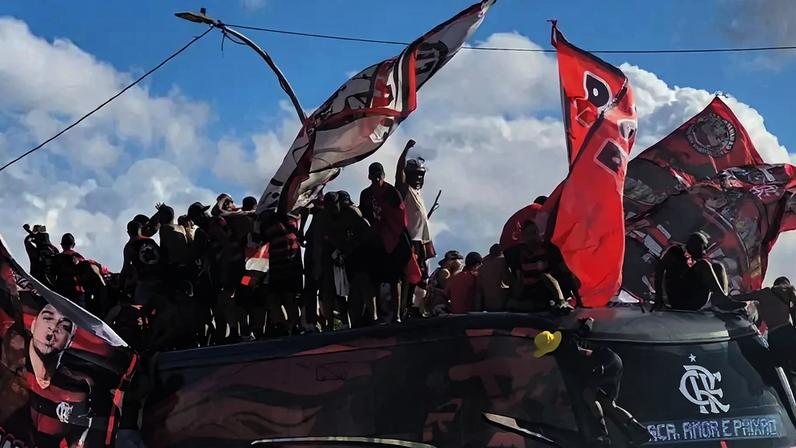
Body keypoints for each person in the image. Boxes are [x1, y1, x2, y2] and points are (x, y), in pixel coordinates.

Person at [534, 319, 651, 446]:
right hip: (613, 360)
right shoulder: (567, 335)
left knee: (589, 397)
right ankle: (640, 431)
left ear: (551, 350)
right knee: (608, 404)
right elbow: (584, 330)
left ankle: (602, 436)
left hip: (601, 368)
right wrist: (589, 321)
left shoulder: (565, 354)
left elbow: (582, 373)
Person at [26, 304, 100, 448]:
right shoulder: (10, 360)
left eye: (65, 326)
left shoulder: (76, 390)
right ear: (33, 325)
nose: (54, 327)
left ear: (70, 340)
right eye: (48, 318)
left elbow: (79, 440)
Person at [359, 162, 411, 323]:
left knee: (395, 279)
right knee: (373, 280)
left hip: (393, 240)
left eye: (378, 174)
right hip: (375, 242)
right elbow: (364, 216)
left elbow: (400, 216)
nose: (376, 178)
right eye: (373, 174)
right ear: (369, 176)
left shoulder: (391, 192)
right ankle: (375, 316)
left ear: (382, 175)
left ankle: (397, 315)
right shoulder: (366, 194)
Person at [324, 191, 376, 328]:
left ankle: (373, 317)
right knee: (354, 288)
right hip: (350, 256)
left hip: (361, 254)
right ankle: (356, 321)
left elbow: (366, 230)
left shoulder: (352, 212)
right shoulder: (337, 217)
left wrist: (351, 245)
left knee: (363, 284)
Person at [395, 140, 435, 315]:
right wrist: (405, 150)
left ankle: (415, 308)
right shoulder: (406, 190)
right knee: (408, 276)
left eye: (421, 175)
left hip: (421, 242)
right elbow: (399, 174)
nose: (418, 178)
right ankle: (403, 309)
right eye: (415, 175)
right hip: (409, 241)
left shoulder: (418, 193)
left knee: (421, 277)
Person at [509, 220, 576, 314]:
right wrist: (515, 299)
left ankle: (561, 302)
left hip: (548, 289)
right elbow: (519, 280)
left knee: (545, 276)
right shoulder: (519, 255)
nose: (532, 237)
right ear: (524, 237)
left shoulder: (549, 250)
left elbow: (565, 272)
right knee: (513, 302)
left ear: (538, 234)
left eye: (534, 233)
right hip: (531, 292)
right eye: (528, 234)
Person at [733, 277, 796, 372]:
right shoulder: (789, 293)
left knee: (781, 367)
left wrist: (729, 297)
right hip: (789, 332)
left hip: (774, 335)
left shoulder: (765, 293)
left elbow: (744, 297)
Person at [261, 211, 303, 335]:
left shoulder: (280, 224)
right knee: (280, 297)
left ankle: (290, 326)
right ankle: (286, 326)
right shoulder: (289, 222)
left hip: (284, 265)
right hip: (280, 266)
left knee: (285, 297)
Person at [50, 234, 86, 307]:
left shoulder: (56, 259)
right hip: (78, 295)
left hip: (61, 293)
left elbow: (51, 275)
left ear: (61, 245)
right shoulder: (80, 258)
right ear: (73, 244)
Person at [477, 244, 512, 311]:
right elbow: (507, 281)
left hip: (487, 305)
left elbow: (479, 289)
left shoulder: (482, 265)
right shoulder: (501, 261)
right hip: (501, 304)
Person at [426, 250, 463, 316]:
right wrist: (456, 270)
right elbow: (448, 289)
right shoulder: (444, 272)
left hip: (436, 305)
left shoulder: (441, 270)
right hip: (438, 306)